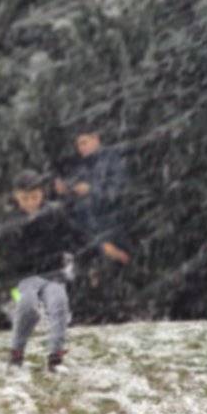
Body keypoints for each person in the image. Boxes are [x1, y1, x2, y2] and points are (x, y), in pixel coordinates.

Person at [0, 171, 87, 371]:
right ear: (17, 197)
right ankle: (17, 355)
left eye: (34, 197)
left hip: (53, 274)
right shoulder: (10, 220)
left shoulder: (55, 213)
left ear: (42, 194)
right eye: (25, 198)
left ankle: (55, 358)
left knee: (59, 306)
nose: (30, 202)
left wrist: (84, 254)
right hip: (23, 277)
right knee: (27, 307)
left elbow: (76, 237)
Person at [55, 128, 132, 320]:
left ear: (96, 139)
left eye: (84, 142)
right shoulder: (80, 167)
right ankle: (84, 316)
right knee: (80, 276)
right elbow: (74, 202)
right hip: (85, 232)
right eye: (78, 144)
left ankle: (114, 315)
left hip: (108, 228)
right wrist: (66, 190)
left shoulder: (112, 161)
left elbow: (117, 193)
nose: (81, 148)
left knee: (109, 276)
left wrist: (92, 190)